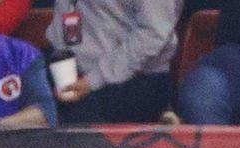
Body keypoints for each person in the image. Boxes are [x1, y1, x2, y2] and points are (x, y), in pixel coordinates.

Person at [46, 0, 181, 124]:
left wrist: (93, 80)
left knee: (76, 128)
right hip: (72, 70)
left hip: (132, 81)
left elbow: (153, 35)